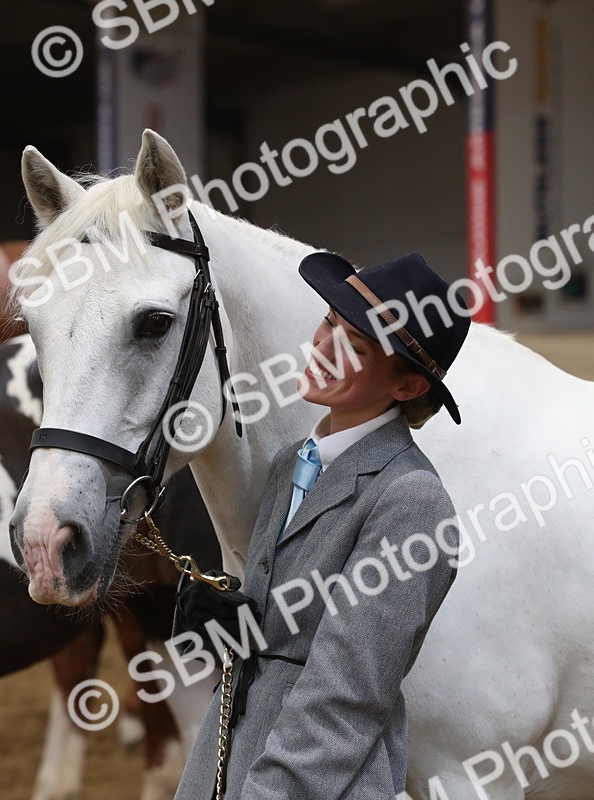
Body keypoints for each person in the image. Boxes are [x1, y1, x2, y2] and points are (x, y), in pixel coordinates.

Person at [172, 250, 472, 800]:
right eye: (330, 323)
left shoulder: (412, 503)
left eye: (355, 346)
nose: (324, 348)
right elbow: (290, 626)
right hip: (229, 757)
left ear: (406, 388)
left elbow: (347, 694)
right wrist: (229, 620)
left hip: (311, 780)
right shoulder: (292, 462)